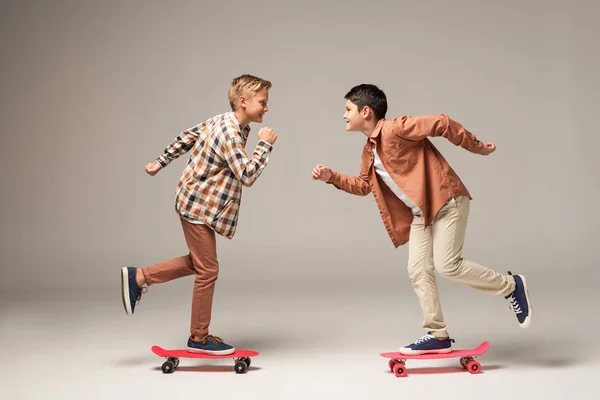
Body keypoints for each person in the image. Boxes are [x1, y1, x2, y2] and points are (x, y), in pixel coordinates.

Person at [311, 84, 531, 355]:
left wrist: (478, 148)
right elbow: (363, 186)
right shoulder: (369, 152)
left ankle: (511, 286)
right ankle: (437, 334)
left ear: (365, 111)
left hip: (446, 202)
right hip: (420, 216)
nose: (344, 115)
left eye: (347, 109)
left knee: (448, 265)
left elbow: (442, 122)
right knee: (418, 270)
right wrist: (331, 177)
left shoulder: (396, 128)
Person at [120, 74, 278, 355]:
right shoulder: (230, 132)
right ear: (243, 102)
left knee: (200, 263)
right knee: (208, 270)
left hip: (196, 202)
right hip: (198, 206)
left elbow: (187, 137)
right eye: (263, 102)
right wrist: (264, 145)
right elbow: (247, 175)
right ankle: (199, 338)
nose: (267, 108)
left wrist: (160, 161)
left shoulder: (223, 120)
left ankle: (140, 276)